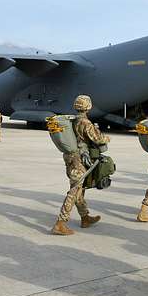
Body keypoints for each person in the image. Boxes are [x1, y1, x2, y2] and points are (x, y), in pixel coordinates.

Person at [51, 95, 105, 235]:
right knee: (75, 190)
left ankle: (85, 217)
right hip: (79, 160)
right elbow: (97, 139)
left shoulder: (73, 120)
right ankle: (60, 223)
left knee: (79, 188)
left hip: (70, 158)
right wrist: (106, 138)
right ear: (88, 106)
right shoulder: (85, 123)